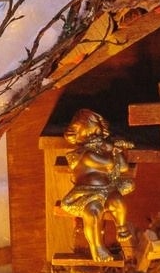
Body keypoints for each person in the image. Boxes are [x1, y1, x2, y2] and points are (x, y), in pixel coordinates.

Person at [57, 108, 136, 262]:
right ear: (76, 137)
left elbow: (124, 167)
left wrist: (117, 151)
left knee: (118, 201)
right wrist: (112, 148)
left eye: (96, 134)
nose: (93, 137)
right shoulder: (85, 154)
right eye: (88, 135)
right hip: (87, 193)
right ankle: (97, 247)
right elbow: (108, 165)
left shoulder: (103, 149)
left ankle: (121, 227)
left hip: (107, 188)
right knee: (93, 213)